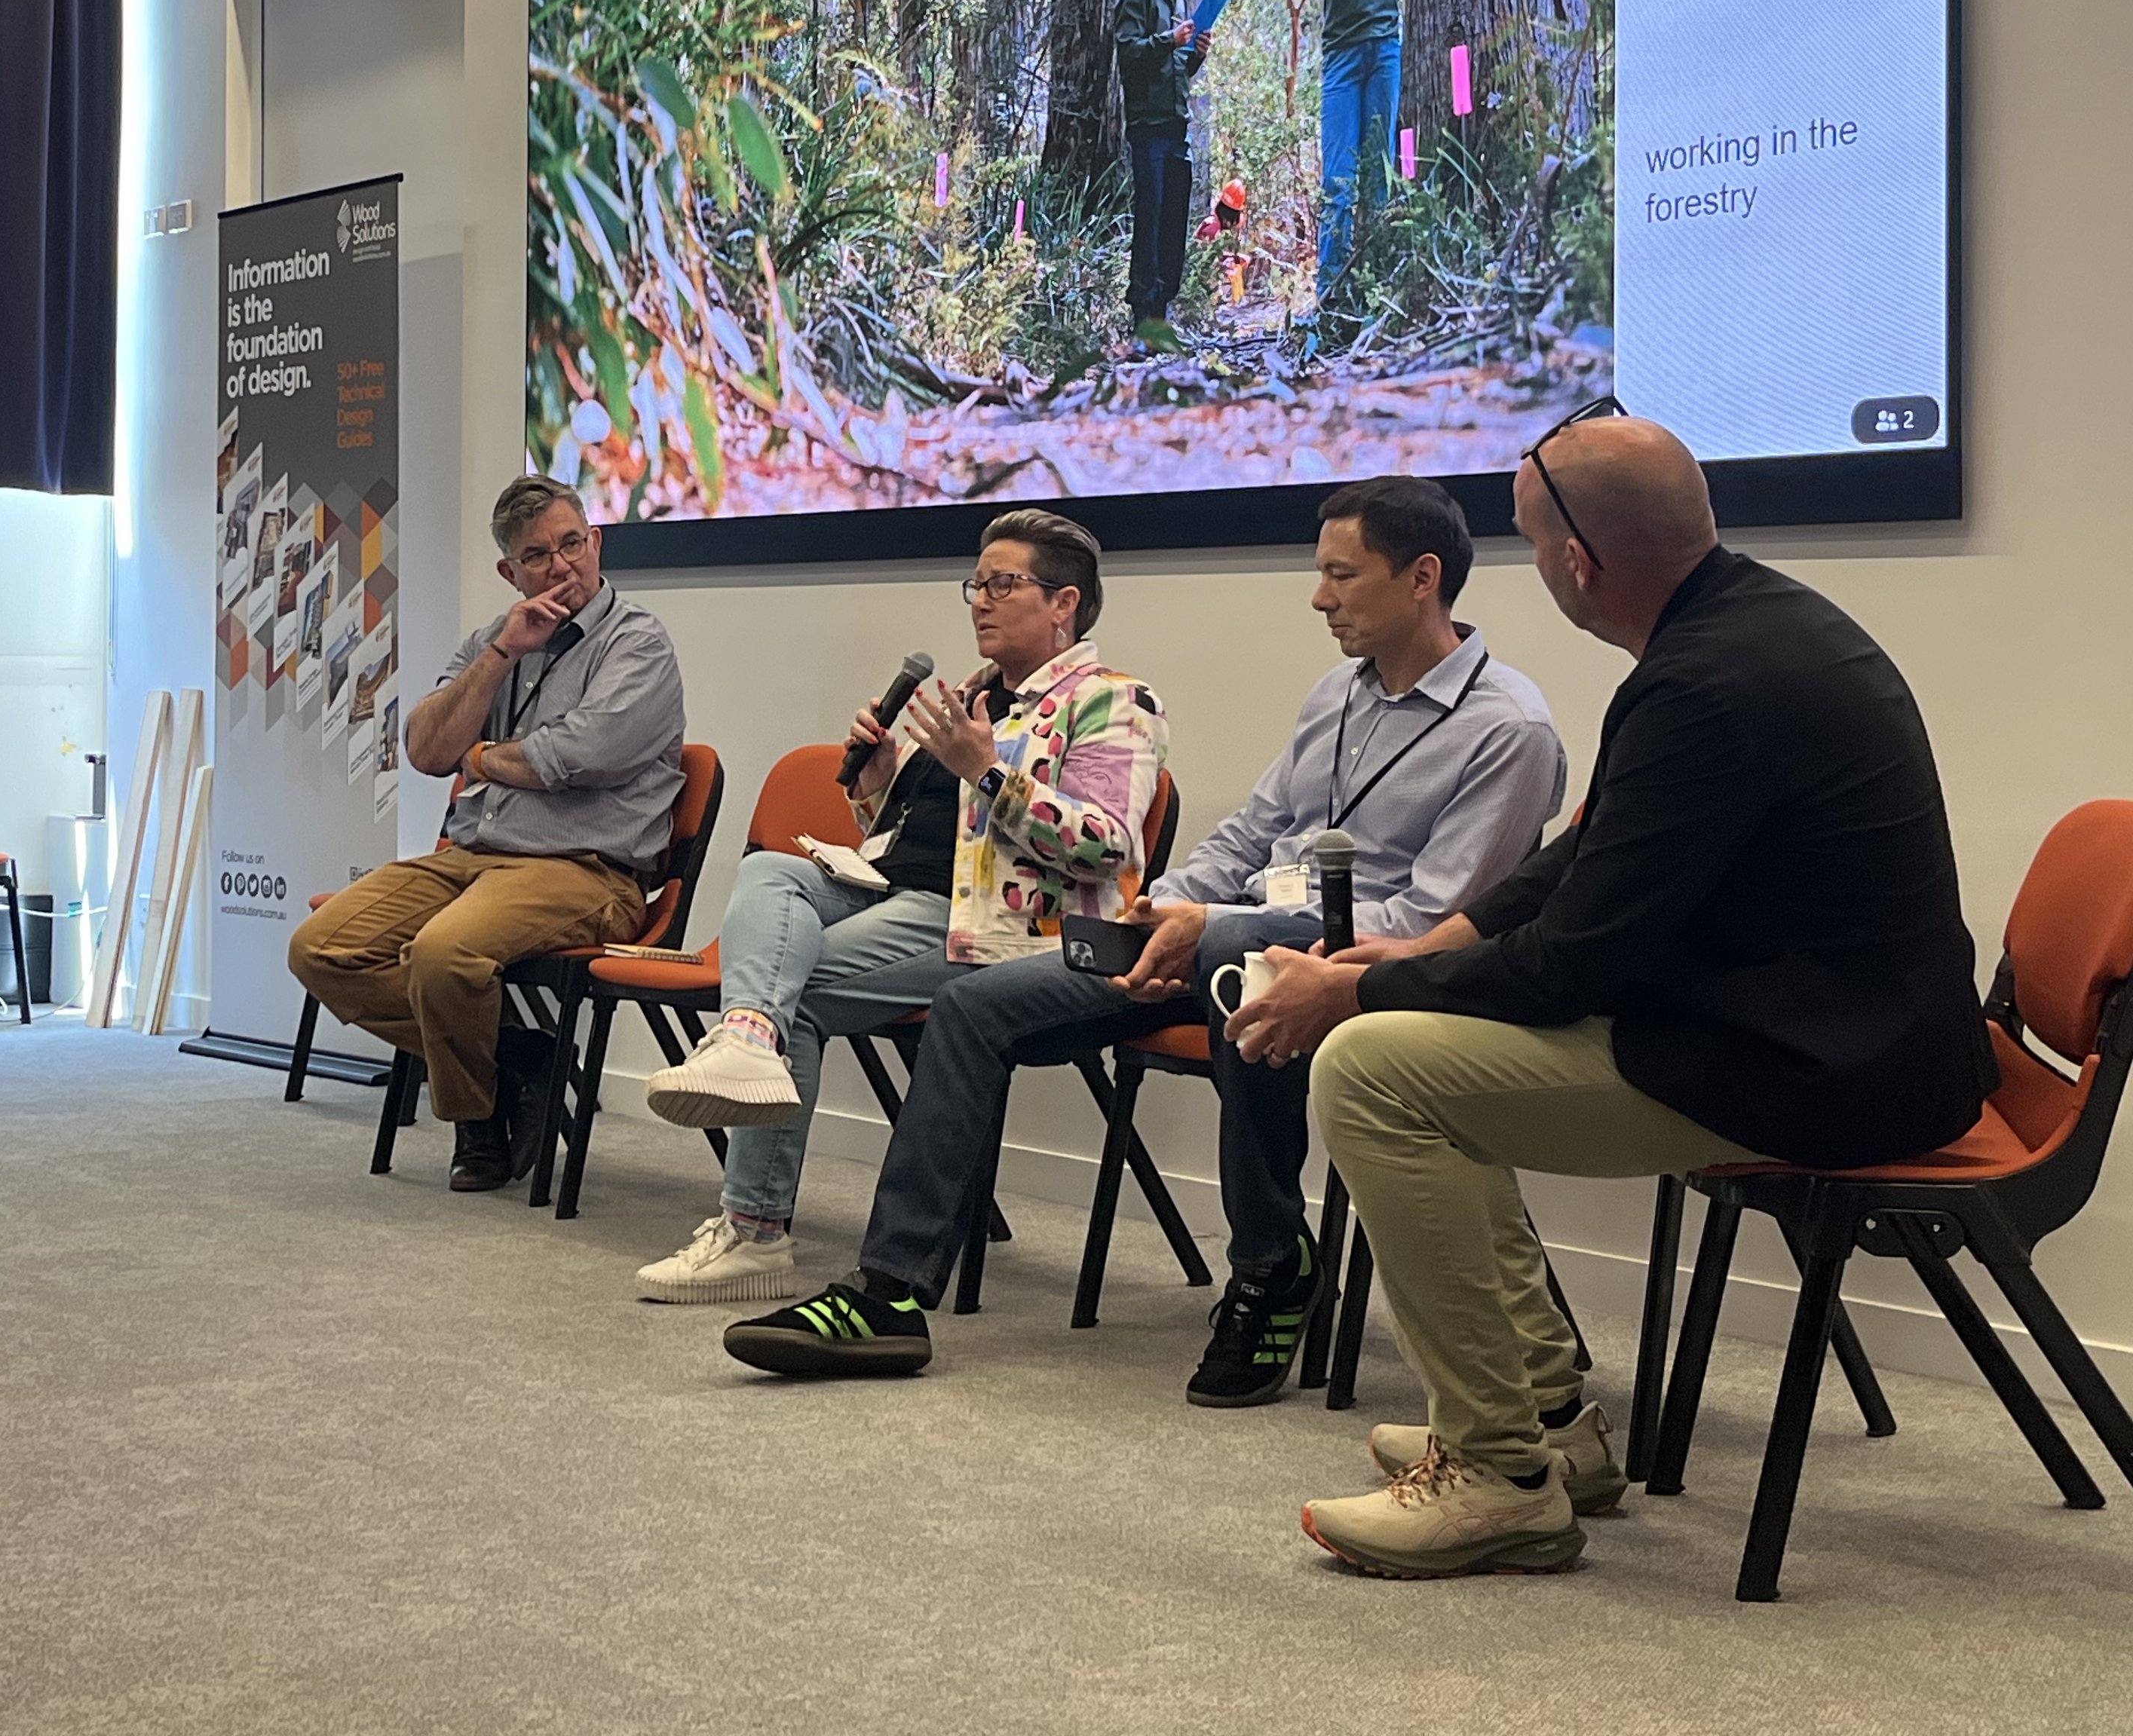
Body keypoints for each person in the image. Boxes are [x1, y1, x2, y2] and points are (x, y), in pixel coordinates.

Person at [1229, 410, 1994, 1579]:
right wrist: (1427, 948)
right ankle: (1546, 1425)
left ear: (1578, 561)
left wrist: (1355, 998)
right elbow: (1586, 850)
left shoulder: (1702, 688)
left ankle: (1498, 1477)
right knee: (1426, 1029)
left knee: (1375, 1073)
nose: (1539, 568)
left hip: (1817, 1069)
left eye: (1536, 546)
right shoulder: (1749, 627)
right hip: (1834, 1028)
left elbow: (1569, 967)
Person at [719, 479, 1565, 1394]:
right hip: (1215, 937)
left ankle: (1271, 1267)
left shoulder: (1505, 730)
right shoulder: (1338, 696)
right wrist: (1160, 912)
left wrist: (1212, 927)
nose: (1319, 597)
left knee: (1246, 968)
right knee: (969, 1004)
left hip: (1343, 962)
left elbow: (1432, 925)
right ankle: (888, 1294)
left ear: (1422, 579)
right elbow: (1250, 832)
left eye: (1340, 575)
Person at [630, 510, 1166, 1303]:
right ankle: (746, 1036)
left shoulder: (1113, 702)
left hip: (1002, 926)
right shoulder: (974, 697)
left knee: (798, 998)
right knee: (775, 871)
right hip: (896, 892)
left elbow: (1108, 844)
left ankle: (755, 1231)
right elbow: (912, 837)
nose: (980, 600)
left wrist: (989, 773)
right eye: (975, 584)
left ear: (1065, 603)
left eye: (1002, 584)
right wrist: (880, 778)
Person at [288, 476, 685, 1196]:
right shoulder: (491, 642)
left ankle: (477, 1120)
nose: (563, 566)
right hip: (474, 857)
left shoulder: (639, 643)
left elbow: (574, 755)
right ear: (511, 572)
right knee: (322, 949)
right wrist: (502, 653)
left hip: (587, 872)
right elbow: (423, 748)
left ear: (596, 543)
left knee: (443, 954)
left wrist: (479, 759)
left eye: (573, 544)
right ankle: (518, 1059)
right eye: (539, 555)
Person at [1114, 0, 1213, 349]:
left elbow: (1174, 65)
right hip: (1148, 128)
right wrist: (1168, 42)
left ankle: (1163, 316)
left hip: (1177, 124)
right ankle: (1142, 323)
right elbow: (1130, 56)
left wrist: (1193, 55)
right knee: (1149, 220)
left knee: (1174, 219)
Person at [1313, 0, 1409, 302]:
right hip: (1343, 63)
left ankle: (1379, 281)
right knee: (1338, 177)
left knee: (1380, 173)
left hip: (1386, 55)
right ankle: (1330, 291)